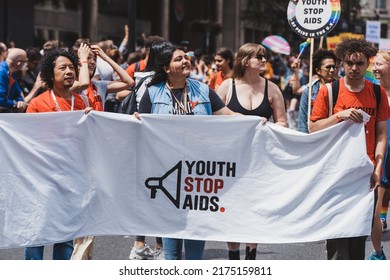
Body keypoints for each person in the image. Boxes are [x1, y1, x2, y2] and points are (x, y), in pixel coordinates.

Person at [137, 42, 240, 260]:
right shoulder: (152, 93)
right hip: (167, 171)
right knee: (171, 232)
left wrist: (255, 122)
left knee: (196, 223)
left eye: (186, 57)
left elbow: (228, 115)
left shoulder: (203, 90)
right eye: (179, 58)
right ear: (166, 67)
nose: (186, 60)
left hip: (197, 172)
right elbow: (139, 129)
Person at [309, 38, 389, 260]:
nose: (354, 68)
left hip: (365, 171)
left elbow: (382, 133)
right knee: (336, 234)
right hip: (335, 171)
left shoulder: (378, 93)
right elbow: (313, 127)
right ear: (342, 63)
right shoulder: (329, 91)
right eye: (349, 63)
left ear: (367, 64)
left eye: (360, 63)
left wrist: (378, 167)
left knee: (357, 235)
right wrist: (339, 115)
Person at [216, 43, 286, 260]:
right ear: (246, 61)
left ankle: (251, 257)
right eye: (259, 57)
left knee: (255, 207)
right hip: (231, 157)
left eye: (264, 57)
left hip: (260, 159)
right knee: (232, 207)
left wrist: (270, 127)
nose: (265, 60)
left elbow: (282, 121)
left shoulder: (272, 88)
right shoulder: (227, 87)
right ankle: (233, 256)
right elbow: (213, 118)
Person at [25, 49, 93, 260]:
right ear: (50, 74)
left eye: (72, 67)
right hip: (43, 178)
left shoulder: (82, 102)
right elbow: (26, 141)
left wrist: (91, 123)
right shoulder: (38, 103)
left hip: (72, 178)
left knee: (65, 233)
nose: (69, 72)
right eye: (62, 68)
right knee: (37, 231)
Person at [369, 50, 390, 260]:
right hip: (381, 154)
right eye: (373, 64)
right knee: (376, 207)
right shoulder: (373, 92)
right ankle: (377, 253)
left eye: (379, 64)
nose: (374, 68)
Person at [298, 48, 337, 133]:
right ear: (318, 71)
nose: (332, 70)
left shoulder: (341, 88)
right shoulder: (309, 91)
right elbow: (302, 122)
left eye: (334, 67)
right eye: (328, 67)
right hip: (315, 137)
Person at [0, 48, 28, 113]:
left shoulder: (12, 73)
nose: (26, 65)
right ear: (19, 63)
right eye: (25, 61)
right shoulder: (1, 72)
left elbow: (17, 92)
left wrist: (20, 101)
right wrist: (15, 104)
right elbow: (1, 100)